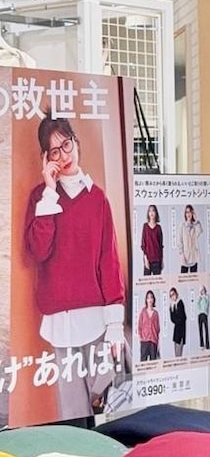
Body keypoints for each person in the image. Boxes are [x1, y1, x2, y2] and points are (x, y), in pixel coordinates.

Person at [23, 114, 126, 420]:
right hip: (58, 320)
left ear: (76, 143)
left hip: (95, 316)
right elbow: (37, 251)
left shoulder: (97, 199)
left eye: (66, 145)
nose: (63, 156)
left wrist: (115, 323)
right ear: (46, 158)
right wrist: (49, 190)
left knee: (110, 397)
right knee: (72, 412)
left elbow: (108, 260)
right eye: (54, 151)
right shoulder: (41, 198)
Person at [137, 290, 160, 362]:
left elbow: (157, 329)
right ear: (146, 300)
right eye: (148, 298)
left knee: (153, 363)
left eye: (151, 297)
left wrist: (158, 343)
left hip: (153, 341)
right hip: (144, 341)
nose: (150, 300)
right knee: (143, 362)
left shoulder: (156, 313)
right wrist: (141, 337)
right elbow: (139, 325)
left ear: (153, 299)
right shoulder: (143, 312)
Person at [178, 203, 202, 273]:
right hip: (185, 256)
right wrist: (182, 255)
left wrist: (196, 219)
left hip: (193, 256)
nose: (188, 214)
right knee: (183, 277)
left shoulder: (195, 225)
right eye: (187, 212)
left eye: (190, 212)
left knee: (194, 278)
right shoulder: (182, 225)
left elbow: (200, 231)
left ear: (192, 213)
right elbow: (179, 241)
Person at [141, 204, 163, 276]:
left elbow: (160, 245)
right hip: (148, 259)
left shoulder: (159, 228)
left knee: (158, 281)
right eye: (150, 211)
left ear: (156, 213)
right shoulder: (145, 226)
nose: (151, 213)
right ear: (148, 213)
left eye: (153, 210)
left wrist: (162, 260)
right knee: (146, 281)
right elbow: (143, 244)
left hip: (157, 260)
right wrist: (145, 259)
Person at [168, 288, 187, 358]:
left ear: (176, 294)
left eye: (173, 294)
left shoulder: (180, 303)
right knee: (176, 355)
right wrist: (171, 309)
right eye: (170, 295)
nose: (172, 296)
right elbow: (172, 319)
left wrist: (177, 319)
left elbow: (182, 318)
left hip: (181, 332)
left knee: (179, 355)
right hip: (176, 332)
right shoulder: (172, 306)